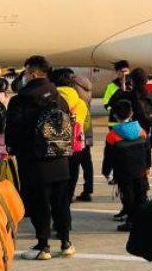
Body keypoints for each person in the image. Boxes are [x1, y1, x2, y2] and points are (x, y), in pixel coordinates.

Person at [5, 56, 74, 260]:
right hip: (60, 158)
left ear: (33, 74)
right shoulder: (59, 97)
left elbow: (13, 130)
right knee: (61, 202)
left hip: (34, 160)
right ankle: (66, 242)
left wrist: (13, 148)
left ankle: (43, 246)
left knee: (40, 203)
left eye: (25, 73)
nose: (23, 77)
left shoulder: (20, 100)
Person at [103, 99, 149, 232]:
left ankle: (131, 221)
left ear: (115, 116)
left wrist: (106, 171)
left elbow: (109, 157)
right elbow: (147, 151)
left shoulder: (112, 136)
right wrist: (148, 167)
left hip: (123, 173)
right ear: (132, 113)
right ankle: (142, 221)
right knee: (141, 196)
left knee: (128, 198)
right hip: (140, 170)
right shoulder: (141, 131)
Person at [51, 68, 89, 200]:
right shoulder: (80, 102)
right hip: (76, 142)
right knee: (73, 170)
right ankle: (70, 194)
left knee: (56, 172)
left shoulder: (50, 99)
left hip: (55, 143)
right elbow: (86, 123)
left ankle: (57, 196)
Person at [68, 69, 95, 202]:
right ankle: (88, 191)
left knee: (74, 165)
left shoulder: (73, 88)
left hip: (77, 128)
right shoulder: (86, 85)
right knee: (87, 164)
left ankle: (71, 193)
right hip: (87, 126)